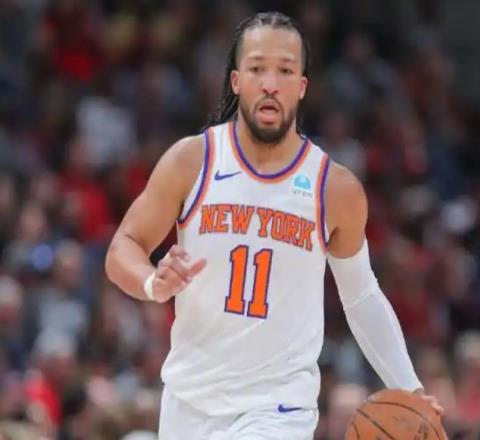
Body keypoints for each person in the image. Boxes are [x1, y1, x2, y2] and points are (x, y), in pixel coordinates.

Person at [105, 11, 443, 440]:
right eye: (257, 69)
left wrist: (410, 389)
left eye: (285, 70)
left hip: (278, 409)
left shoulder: (334, 188)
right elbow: (124, 247)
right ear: (236, 81)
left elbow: (361, 295)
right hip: (188, 402)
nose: (270, 83)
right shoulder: (192, 161)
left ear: (302, 86)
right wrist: (153, 283)